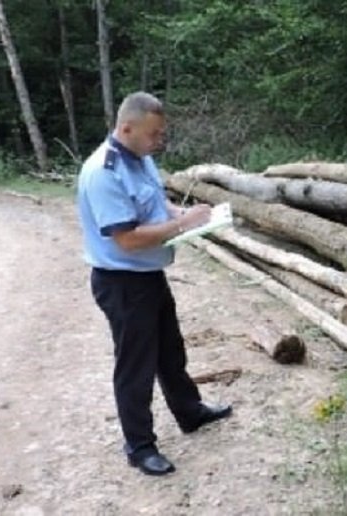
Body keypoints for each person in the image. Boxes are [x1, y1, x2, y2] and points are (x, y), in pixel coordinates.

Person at [77, 91, 232, 476]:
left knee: (170, 352)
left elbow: (156, 208)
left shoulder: (140, 157)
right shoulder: (104, 172)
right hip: (122, 283)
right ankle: (140, 446)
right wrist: (183, 224)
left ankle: (190, 412)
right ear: (126, 128)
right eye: (153, 134)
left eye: (162, 134)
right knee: (136, 366)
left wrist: (190, 216)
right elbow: (127, 238)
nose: (159, 141)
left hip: (148, 277)